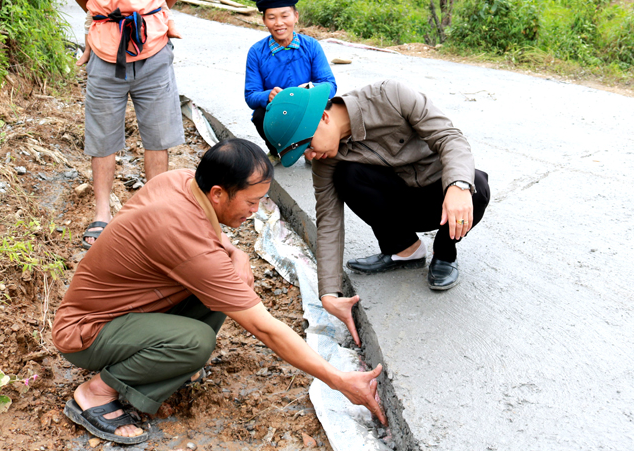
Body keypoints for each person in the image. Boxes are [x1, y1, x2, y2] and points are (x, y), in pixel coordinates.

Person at [53, 139, 387, 445]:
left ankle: (154, 366)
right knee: (194, 343)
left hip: (121, 312)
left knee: (227, 286)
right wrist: (337, 379)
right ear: (217, 194)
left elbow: (209, 238)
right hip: (86, 333)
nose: (255, 210)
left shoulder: (181, 180)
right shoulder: (187, 242)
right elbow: (264, 327)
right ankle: (96, 393)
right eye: (252, 201)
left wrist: (235, 251)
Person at [263, 80, 490, 346]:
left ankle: (445, 253)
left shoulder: (392, 96)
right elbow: (328, 221)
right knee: (347, 174)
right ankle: (404, 249)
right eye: (304, 153)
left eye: (308, 146)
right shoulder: (328, 161)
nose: (311, 157)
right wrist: (329, 293)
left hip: (440, 200)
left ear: (323, 117)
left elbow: (449, 137)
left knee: (477, 187)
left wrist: (458, 185)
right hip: (402, 205)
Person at [67, 0, 186, 249]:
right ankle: (102, 213)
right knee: (102, 135)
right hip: (105, 51)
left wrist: (144, 18)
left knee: (158, 134)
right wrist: (108, 17)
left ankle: (157, 214)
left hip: (153, 51)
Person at [244, 0, 336, 159]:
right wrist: (267, 95)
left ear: (296, 16)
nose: (279, 23)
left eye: (285, 16)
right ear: (264, 20)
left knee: (331, 108)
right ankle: (278, 149)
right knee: (260, 115)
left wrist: (307, 90)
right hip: (278, 110)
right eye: (271, 17)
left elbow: (330, 85)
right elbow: (250, 96)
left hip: (308, 105)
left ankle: (315, 149)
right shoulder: (256, 52)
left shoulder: (311, 46)